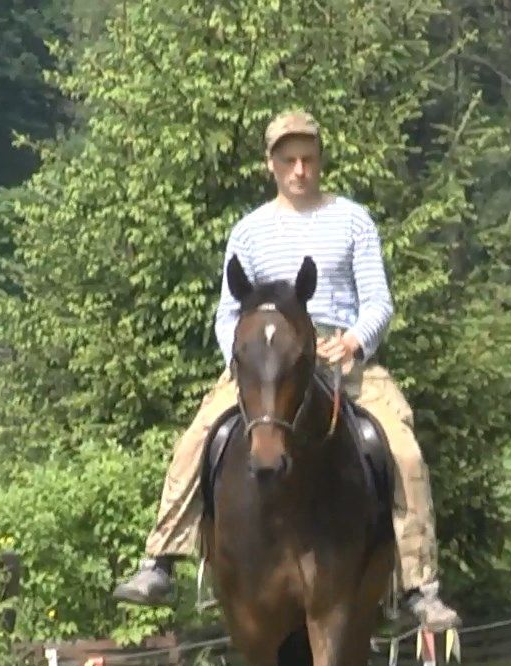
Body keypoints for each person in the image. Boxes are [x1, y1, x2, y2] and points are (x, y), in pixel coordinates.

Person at [111, 109, 461, 632]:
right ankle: (161, 559)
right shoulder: (249, 232)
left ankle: (419, 584)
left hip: (337, 357)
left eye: (308, 160)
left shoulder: (353, 220)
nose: (300, 170)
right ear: (271, 164)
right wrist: (241, 357)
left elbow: (379, 301)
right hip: (262, 363)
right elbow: (229, 311)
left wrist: (356, 340)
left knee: (404, 450)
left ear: (319, 162)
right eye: (289, 161)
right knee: (196, 438)